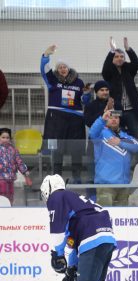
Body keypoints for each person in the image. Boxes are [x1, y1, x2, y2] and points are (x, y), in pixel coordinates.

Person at [41, 44, 90, 182]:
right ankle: (57, 177)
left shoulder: (79, 82)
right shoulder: (53, 80)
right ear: (57, 70)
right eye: (60, 67)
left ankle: (76, 176)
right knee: (57, 148)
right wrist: (46, 56)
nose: (63, 69)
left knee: (76, 148)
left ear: (69, 69)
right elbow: (44, 70)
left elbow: (84, 101)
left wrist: (86, 94)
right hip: (57, 118)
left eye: (65, 67)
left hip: (75, 118)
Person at [89, 108, 138, 206]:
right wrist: (102, 119)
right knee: (104, 217)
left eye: (116, 117)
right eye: (110, 117)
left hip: (124, 185)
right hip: (106, 185)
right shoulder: (100, 134)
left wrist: (120, 143)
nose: (114, 120)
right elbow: (92, 133)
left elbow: (137, 146)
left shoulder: (124, 136)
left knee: (122, 219)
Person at [102, 37, 138, 138]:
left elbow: (136, 64)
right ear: (112, 59)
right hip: (116, 110)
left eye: (122, 56)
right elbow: (105, 69)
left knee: (137, 137)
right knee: (116, 136)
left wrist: (128, 49)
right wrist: (112, 51)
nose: (119, 58)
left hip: (132, 110)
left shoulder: (128, 69)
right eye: (116, 57)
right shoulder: (109, 72)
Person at [0, 128, 32, 204]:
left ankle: (10, 211)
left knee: (10, 196)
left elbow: (19, 162)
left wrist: (25, 174)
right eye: (3, 137)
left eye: (7, 138)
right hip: (0, 178)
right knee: (2, 196)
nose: (5, 139)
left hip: (11, 178)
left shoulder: (13, 150)